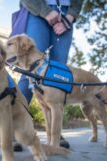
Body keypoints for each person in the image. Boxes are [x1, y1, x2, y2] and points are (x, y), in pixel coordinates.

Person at [11, 0, 84, 150]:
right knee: (29, 70)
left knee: (59, 76)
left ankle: (55, 133)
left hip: (65, 16)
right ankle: (14, 130)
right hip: (37, 10)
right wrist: (46, 11)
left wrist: (70, 16)